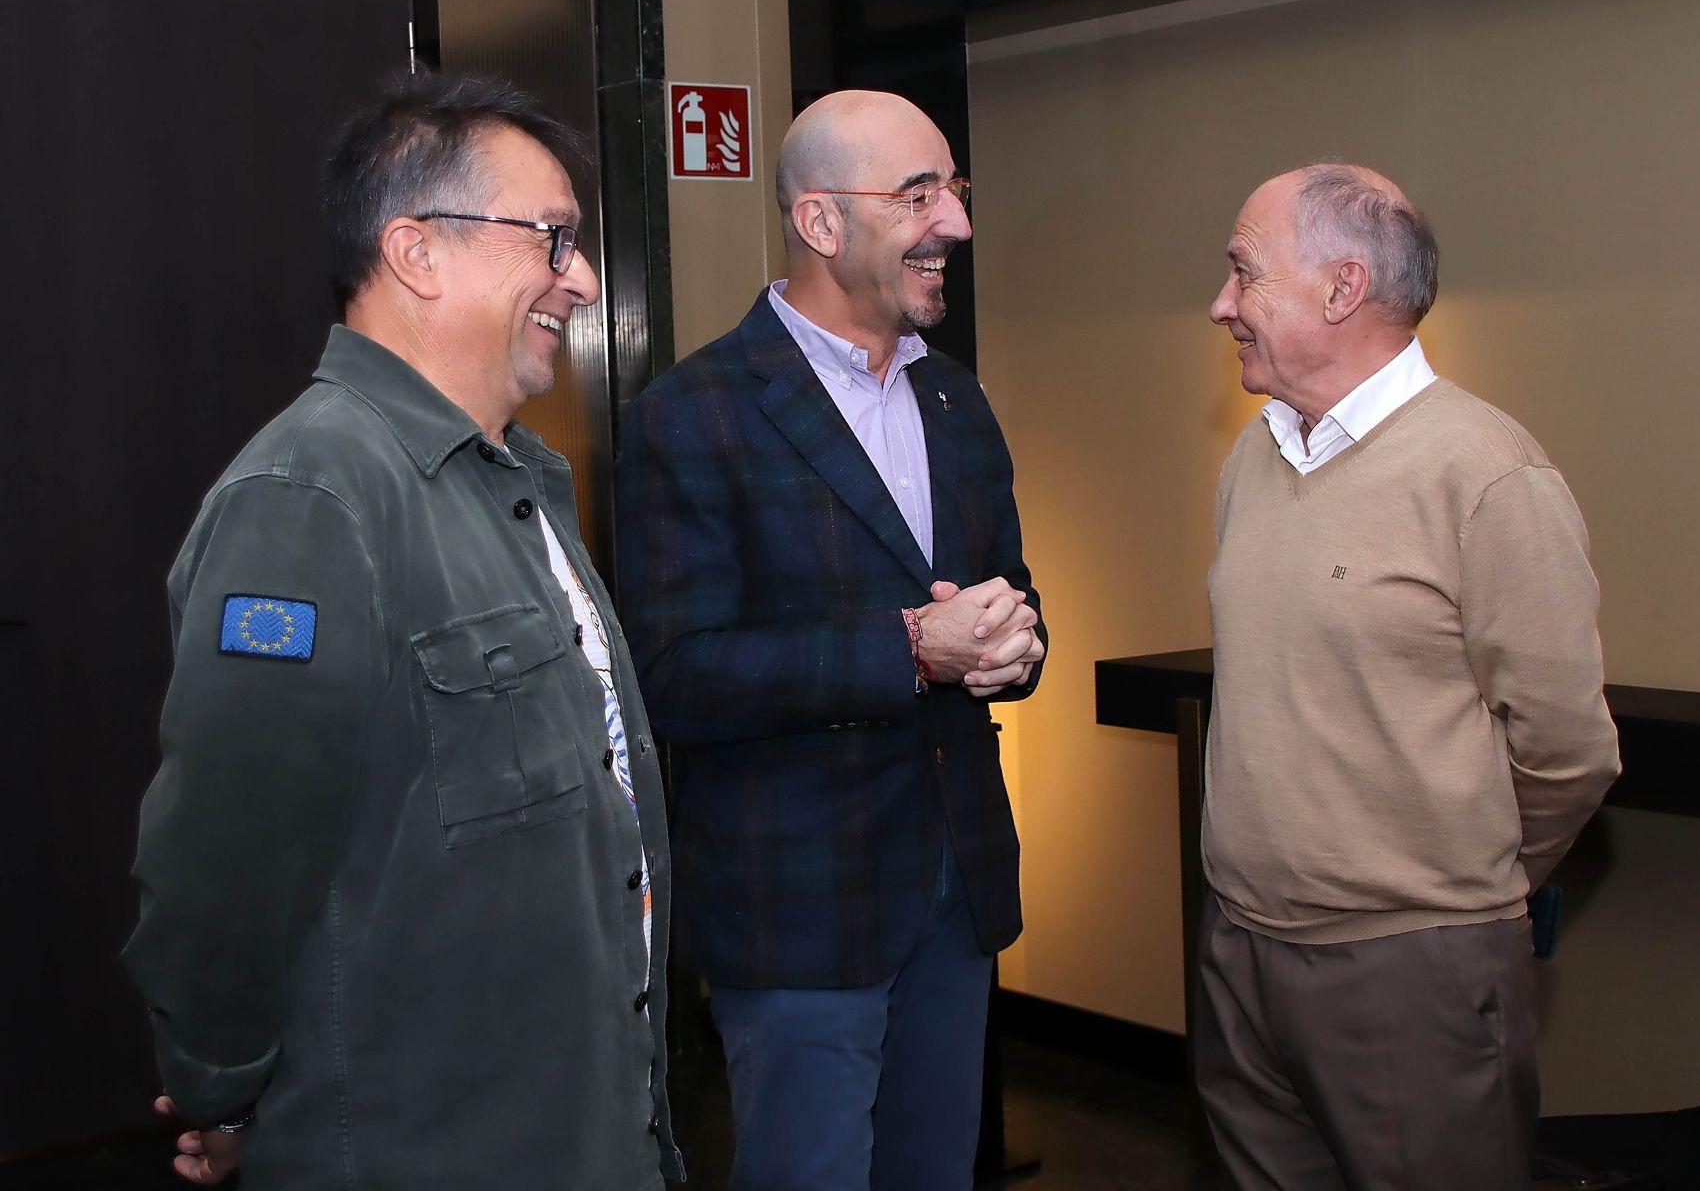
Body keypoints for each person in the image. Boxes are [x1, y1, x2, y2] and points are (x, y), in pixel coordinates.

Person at [122, 73, 681, 1190]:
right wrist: (225, 1088)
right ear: (418, 252)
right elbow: (225, 864)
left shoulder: (514, 482)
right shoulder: (314, 495)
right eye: (553, 240)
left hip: (580, 1131)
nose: (578, 280)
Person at [616, 90, 1046, 1191]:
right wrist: (909, 649)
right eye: (918, 194)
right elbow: (671, 675)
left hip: (955, 893)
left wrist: (1013, 647)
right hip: (801, 910)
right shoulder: (695, 412)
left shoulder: (958, 401)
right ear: (818, 223)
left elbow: (1009, 601)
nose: (952, 222)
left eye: (953, 189)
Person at [1197, 163, 1621, 1190]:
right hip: (1239, 952)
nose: (1220, 307)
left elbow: (1566, 749)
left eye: (1243, 274)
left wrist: (1458, 889)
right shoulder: (1253, 460)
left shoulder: (1485, 474)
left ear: (1342, 290)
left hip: (1412, 971)